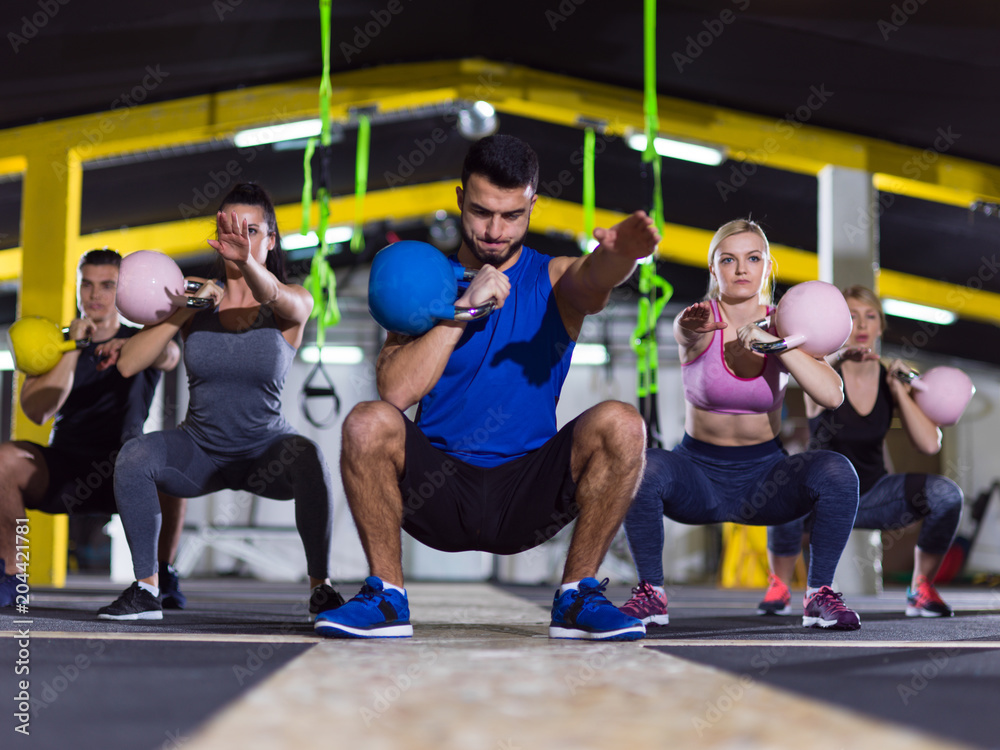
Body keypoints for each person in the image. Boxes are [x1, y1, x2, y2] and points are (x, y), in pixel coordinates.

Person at [315, 133, 660, 640]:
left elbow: (592, 279)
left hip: (527, 494)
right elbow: (396, 392)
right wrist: (464, 312)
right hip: (438, 491)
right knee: (367, 422)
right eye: (480, 212)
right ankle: (387, 597)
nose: (495, 230)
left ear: (532, 206)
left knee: (623, 423)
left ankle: (576, 596)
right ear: (459, 199)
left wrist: (622, 257)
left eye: (511, 215)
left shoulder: (553, 277)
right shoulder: (424, 281)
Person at [96, 183, 341, 621]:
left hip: (265, 452)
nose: (239, 238)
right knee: (135, 456)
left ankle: (321, 588)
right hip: (200, 452)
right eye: (231, 228)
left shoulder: (292, 302)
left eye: (251, 230)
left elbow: (274, 295)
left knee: (309, 457)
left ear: (271, 240)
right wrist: (186, 309)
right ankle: (147, 588)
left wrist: (246, 263)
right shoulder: (196, 302)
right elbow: (129, 364)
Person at [620, 219, 863, 631]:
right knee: (640, 467)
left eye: (752, 258)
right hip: (697, 475)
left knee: (838, 472)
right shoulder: (700, 320)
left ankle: (819, 593)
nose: (740, 269)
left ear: (767, 266)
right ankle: (651, 593)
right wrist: (687, 329)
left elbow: (832, 395)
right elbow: (685, 332)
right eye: (727, 260)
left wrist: (776, 347)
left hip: (764, 478)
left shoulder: (787, 326)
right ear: (713, 270)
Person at [758, 285, 963, 618]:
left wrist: (898, 388)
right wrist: (837, 356)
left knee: (947, 495)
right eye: (852, 317)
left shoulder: (888, 379)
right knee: (783, 480)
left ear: (881, 326)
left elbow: (929, 444)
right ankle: (779, 586)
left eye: (870, 317)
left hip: (872, 496)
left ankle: (920, 588)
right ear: (839, 324)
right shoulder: (821, 369)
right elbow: (813, 404)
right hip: (819, 500)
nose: (863, 325)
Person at [0, 249, 187, 609]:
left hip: (126, 468)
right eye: (87, 285)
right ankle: (11, 576)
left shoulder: (143, 338)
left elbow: (170, 357)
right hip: (65, 468)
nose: (95, 295)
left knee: (174, 462)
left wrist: (132, 346)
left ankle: (161, 574)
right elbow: (38, 411)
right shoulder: (56, 343)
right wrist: (74, 346)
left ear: (122, 291)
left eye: (106, 286)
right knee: (4, 460)